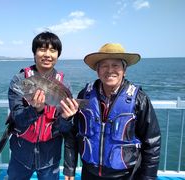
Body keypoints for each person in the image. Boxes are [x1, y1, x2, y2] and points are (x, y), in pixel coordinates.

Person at [63, 43, 161, 180]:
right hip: (89, 173)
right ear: (97, 71)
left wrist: (148, 177)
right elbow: (73, 134)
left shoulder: (140, 99)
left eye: (115, 65)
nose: (110, 70)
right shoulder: (84, 95)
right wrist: (69, 168)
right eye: (104, 66)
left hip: (127, 175)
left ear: (124, 70)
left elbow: (152, 143)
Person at [7, 31, 79, 180]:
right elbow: (18, 119)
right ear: (34, 53)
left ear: (58, 55)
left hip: (50, 158)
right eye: (42, 49)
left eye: (53, 50)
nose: (47, 54)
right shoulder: (20, 81)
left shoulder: (64, 85)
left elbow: (66, 131)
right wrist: (36, 109)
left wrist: (66, 118)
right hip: (20, 155)